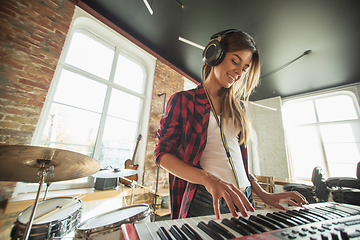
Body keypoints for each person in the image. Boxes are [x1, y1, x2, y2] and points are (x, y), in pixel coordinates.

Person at [154, 29, 308, 220]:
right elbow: (162, 155)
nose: (239, 72)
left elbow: (238, 163)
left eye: (244, 68)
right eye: (235, 61)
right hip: (208, 199)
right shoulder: (184, 100)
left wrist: (264, 194)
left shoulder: (238, 108)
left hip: (246, 198)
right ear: (214, 55)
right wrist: (207, 178)